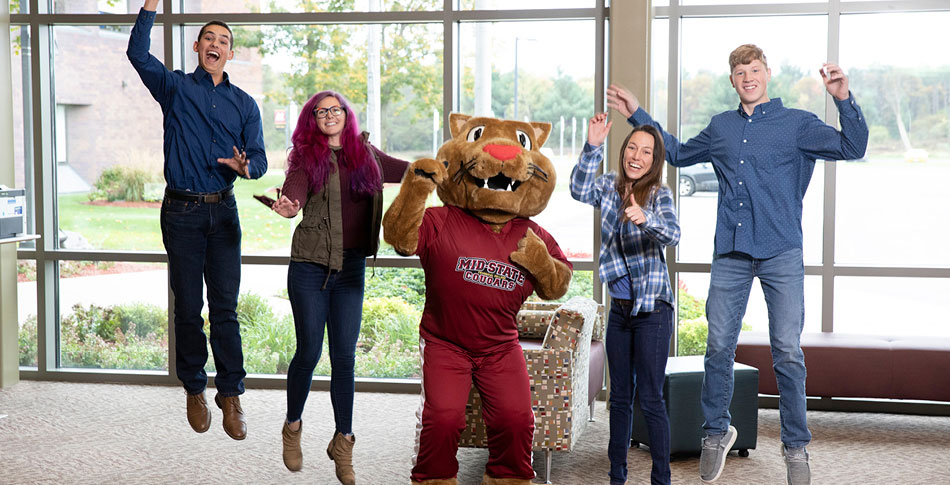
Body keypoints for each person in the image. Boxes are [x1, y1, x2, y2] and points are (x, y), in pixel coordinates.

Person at [607, 44, 869, 485]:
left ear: (767, 73)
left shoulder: (798, 124)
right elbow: (676, 152)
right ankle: (715, 431)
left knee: (787, 351)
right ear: (732, 80)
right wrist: (638, 114)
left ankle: (796, 445)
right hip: (730, 251)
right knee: (717, 347)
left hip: (781, 249)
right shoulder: (722, 128)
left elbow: (852, 146)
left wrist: (843, 97)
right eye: (739, 71)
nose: (747, 76)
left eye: (754, 69)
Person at [127, 0, 267, 441]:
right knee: (188, 308)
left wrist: (247, 168)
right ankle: (194, 388)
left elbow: (260, 160)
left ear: (231, 54)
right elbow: (137, 53)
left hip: (224, 212)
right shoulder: (173, 88)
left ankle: (231, 393)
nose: (216, 44)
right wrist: (150, 7)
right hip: (182, 211)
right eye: (209, 37)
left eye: (224, 41)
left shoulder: (244, 104)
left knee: (225, 308)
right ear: (196, 46)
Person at [269, 91, 408, 484]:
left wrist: (442, 168)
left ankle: (342, 442)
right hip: (310, 268)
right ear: (313, 119)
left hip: (351, 269)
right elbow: (293, 190)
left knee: (344, 359)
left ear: (347, 115)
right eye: (321, 111)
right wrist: (288, 205)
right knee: (309, 351)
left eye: (336, 110)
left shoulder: (366, 154)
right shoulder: (305, 157)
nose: (330, 115)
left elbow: (408, 172)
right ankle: (293, 426)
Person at [570, 114, 680, 485]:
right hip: (619, 312)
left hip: (653, 312)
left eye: (646, 151)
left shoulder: (659, 194)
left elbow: (672, 233)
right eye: (632, 147)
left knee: (650, 399)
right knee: (618, 398)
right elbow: (577, 188)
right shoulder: (607, 186)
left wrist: (644, 217)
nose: (637, 155)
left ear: (655, 159)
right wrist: (592, 145)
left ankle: (660, 479)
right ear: (623, 151)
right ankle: (617, 476)